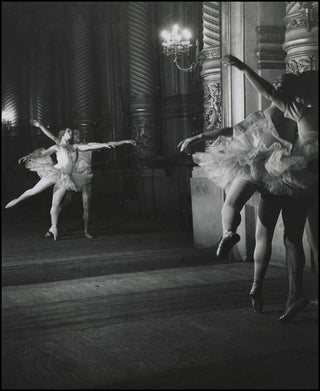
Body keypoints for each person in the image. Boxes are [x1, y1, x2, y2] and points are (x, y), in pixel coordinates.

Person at [221, 56, 318, 322]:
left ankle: (283, 293)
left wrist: (243, 68)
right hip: (310, 178)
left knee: (286, 236)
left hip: (293, 173)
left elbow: (267, 91)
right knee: (297, 238)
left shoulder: (301, 111)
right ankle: (295, 295)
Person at [178, 72, 301, 260]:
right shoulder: (296, 114)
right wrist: (200, 136)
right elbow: (233, 130)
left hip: (263, 166)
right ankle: (230, 236)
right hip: (280, 172)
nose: (276, 84)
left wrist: (199, 137)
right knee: (248, 218)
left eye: (280, 83)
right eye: (276, 81)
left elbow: (232, 130)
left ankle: (229, 232)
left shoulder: (272, 114)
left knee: (233, 206)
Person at [5, 127, 136, 241]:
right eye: (69, 131)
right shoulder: (57, 146)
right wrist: (28, 156)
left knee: (55, 204)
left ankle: (54, 227)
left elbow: (92, 146)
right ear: (63, 134)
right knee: (33, 191)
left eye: (71, 132)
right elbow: (42, 154)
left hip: (64, 178)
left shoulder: (74, 147)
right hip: (54, 172)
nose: (71, 133)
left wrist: (121, 142)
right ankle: (17, 200)